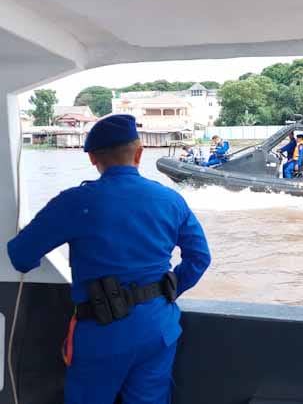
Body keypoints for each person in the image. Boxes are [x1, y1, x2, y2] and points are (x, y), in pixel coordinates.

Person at [7, 114, 212, 404]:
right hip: (158, 327)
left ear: (92, 158)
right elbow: (199, 258)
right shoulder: (170, 199)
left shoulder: (75, 202)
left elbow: (21, 256)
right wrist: (167, 292)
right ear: (139, 153)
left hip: (101, 334)